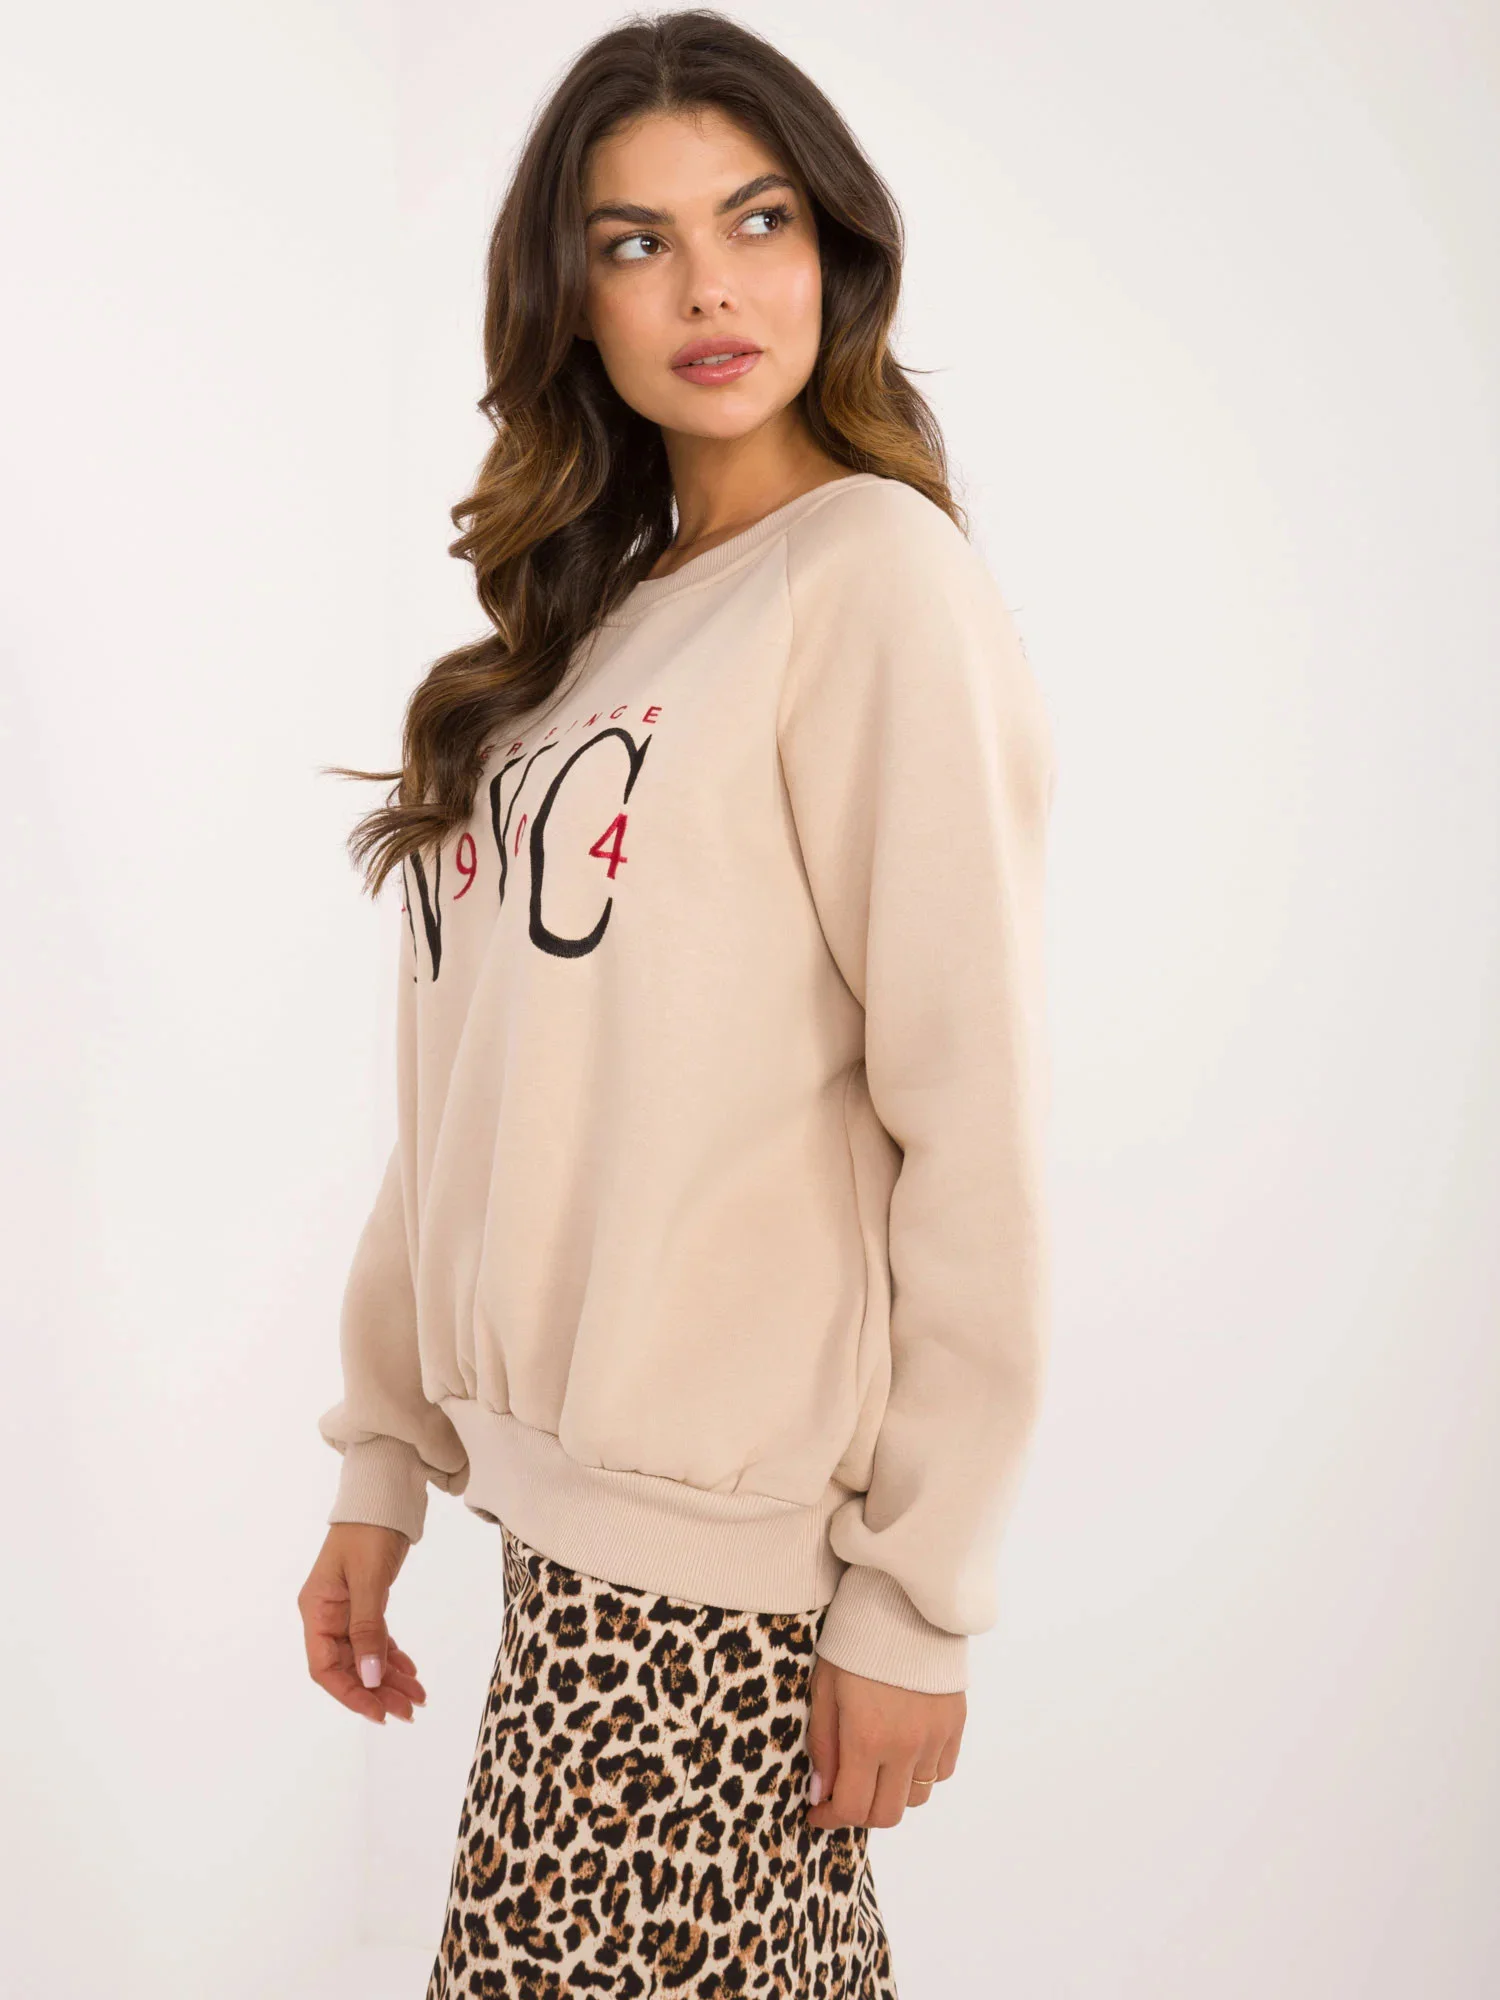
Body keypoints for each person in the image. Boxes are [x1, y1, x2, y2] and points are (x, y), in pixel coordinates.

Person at [296, 11, 1058, 1995]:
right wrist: (384, 1455)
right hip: (567, 1564)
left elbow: (970, 1116)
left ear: (836, 247)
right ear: (570, 299)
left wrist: (917, 1595)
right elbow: (464, 1088)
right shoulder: (584, 638)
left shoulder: (871, 576)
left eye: (757, 219)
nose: (710, 287)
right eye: (635, 243)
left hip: (720, 1591)